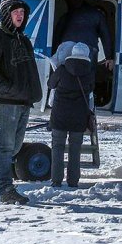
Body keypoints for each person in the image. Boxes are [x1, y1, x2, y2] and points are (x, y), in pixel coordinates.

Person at [0, 0, 42, 205]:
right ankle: (6, 189)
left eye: (22, 12)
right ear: (7, 14)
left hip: (23, 101)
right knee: (4, 146)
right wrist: (8, 88)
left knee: (14, 147)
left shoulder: (22, 39)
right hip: (6, 101)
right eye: (16, 12)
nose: (20, 16)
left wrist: (32, 93)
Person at [49, 42, 94, 189]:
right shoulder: (89, 72)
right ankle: (73, 182)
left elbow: (51, 84)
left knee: (57, 148)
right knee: (75, 150)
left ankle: (56, 181)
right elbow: (91, 89)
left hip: (59, 115)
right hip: (79, 117)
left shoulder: (62, 69)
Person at [54, 0, 115, 72]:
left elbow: (58, 30)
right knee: (88, 74)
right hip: (89, 45)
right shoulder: (99, 14)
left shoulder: (71, 13)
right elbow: (105, 35)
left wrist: (54, 49)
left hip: (66, 44)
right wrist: (109, 57)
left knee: (63, 72)